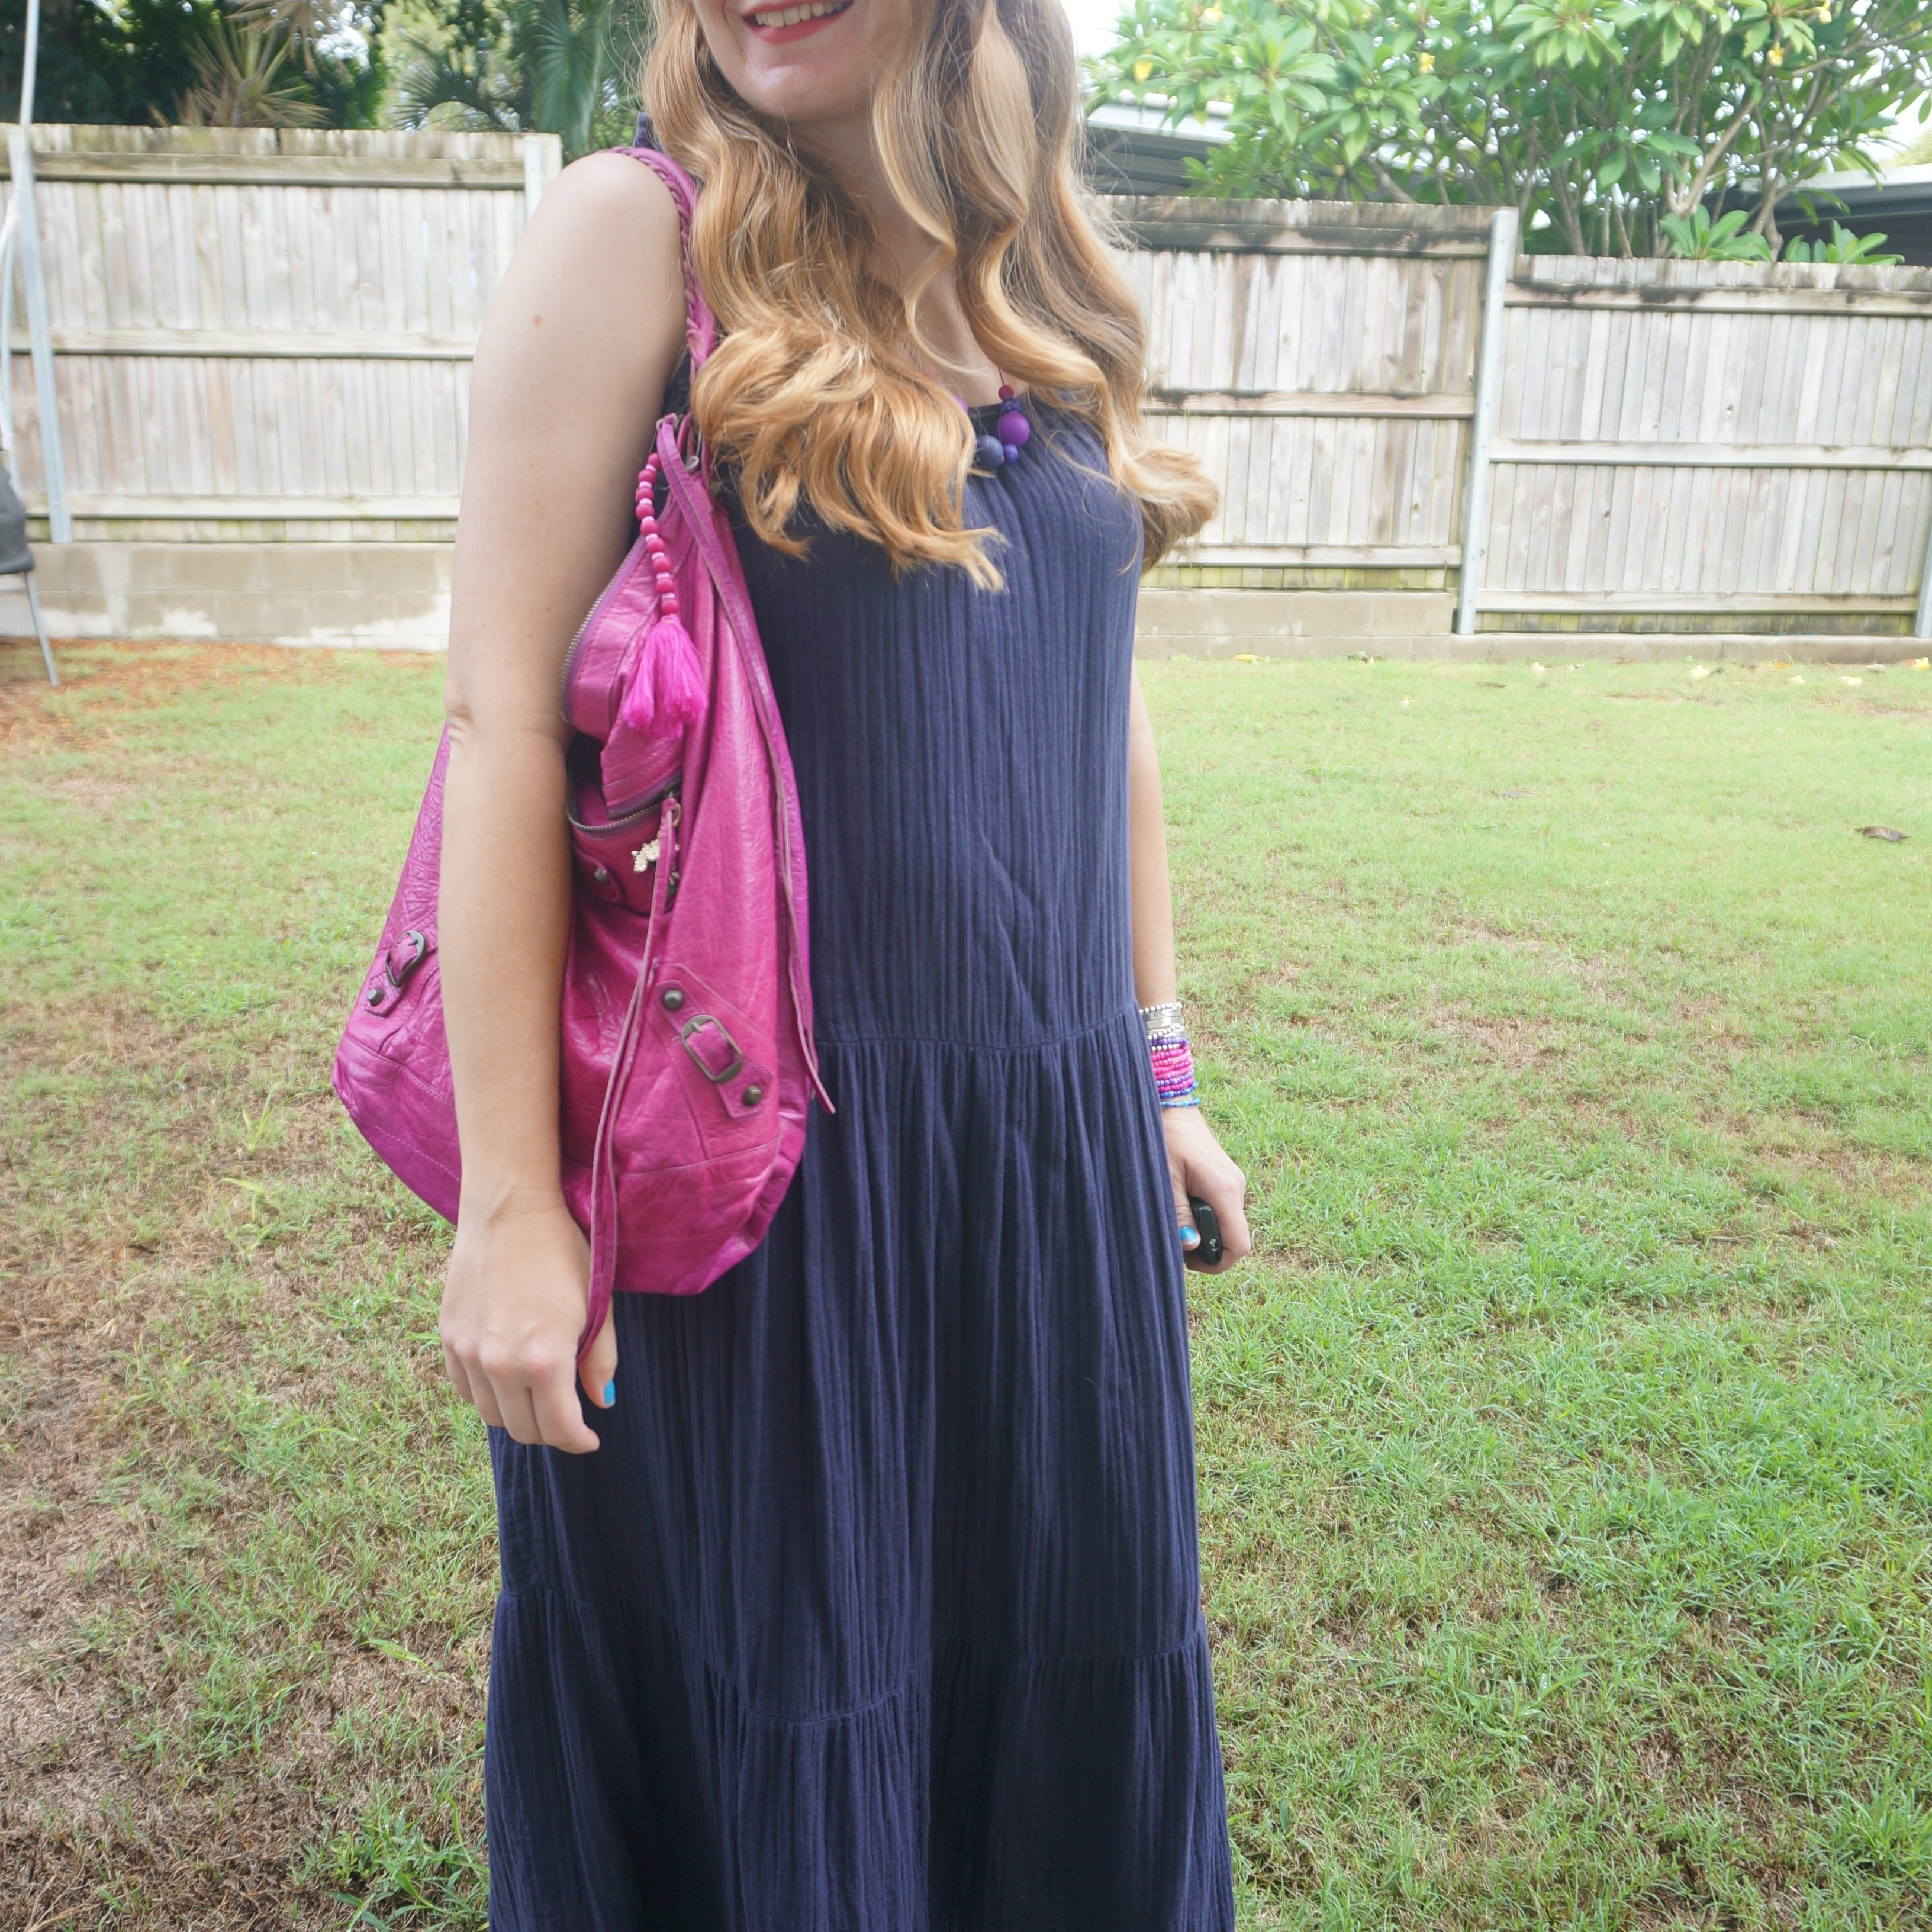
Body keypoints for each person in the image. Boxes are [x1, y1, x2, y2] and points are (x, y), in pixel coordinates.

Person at [430, 0, 1251, 1921]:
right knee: (792, 1733)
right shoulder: (643, 231)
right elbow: (500, 724)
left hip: (1043, 1193)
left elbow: (1103, 713)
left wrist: (1160, 1069)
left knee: (1046, 1703)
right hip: (769, 1189)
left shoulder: (1035, 279)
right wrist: (506, 1204)